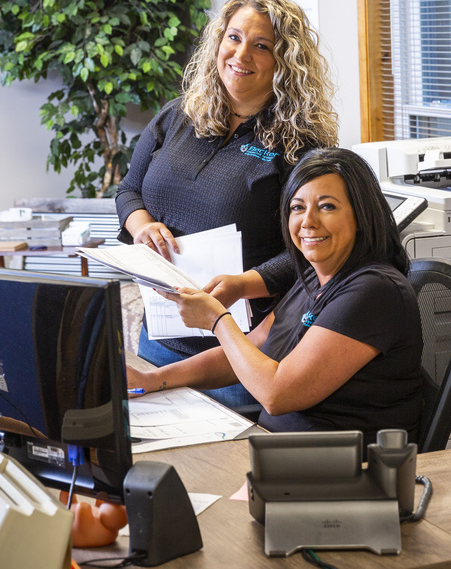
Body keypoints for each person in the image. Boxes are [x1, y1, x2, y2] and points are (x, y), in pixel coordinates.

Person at [115, 0, 339, 407]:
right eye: (233, 38)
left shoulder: (303, 148)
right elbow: (128, 189)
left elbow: (315, 252)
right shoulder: (176, 116)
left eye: (261, 46)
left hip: (239, 355)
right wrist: (141, 225)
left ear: (284, 62)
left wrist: (243, 285)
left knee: (220, 469)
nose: (241, 54)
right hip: (159, 340)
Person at [126, 148, 424, 444]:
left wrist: (217, 320)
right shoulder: (314, 273)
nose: (308, 221)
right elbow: (252, 348)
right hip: (278, 453)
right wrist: (153, 380)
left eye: (327, 206)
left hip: (340, 471)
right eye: (297, 207)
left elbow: (276, 394)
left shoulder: (374, 291)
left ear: (361, 214)